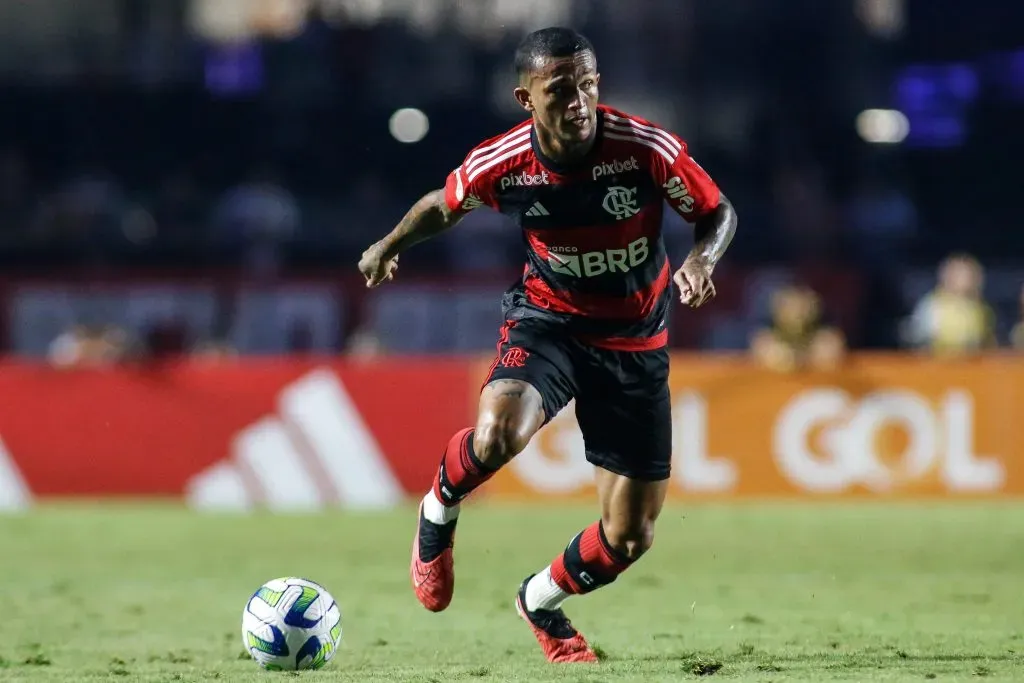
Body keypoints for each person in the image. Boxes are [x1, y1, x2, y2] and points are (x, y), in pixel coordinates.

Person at [358, 27, 737, 663]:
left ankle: (538, 600)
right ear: (526, 98)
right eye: (560, 89)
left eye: (587, 84)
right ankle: (439, 508)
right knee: (498, 434)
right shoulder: (504, 161)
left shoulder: (644, 149)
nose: (578, 101)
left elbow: (717, 211)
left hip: (635, 341)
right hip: (548, 322)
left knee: (629, 536)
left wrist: (703, 260)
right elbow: (443, 206)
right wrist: (389, 244)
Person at [750, 284, 846, 372]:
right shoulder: (765, 340)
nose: (796, 314)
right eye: (788, 306)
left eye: (802, 307)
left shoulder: (827, 338)